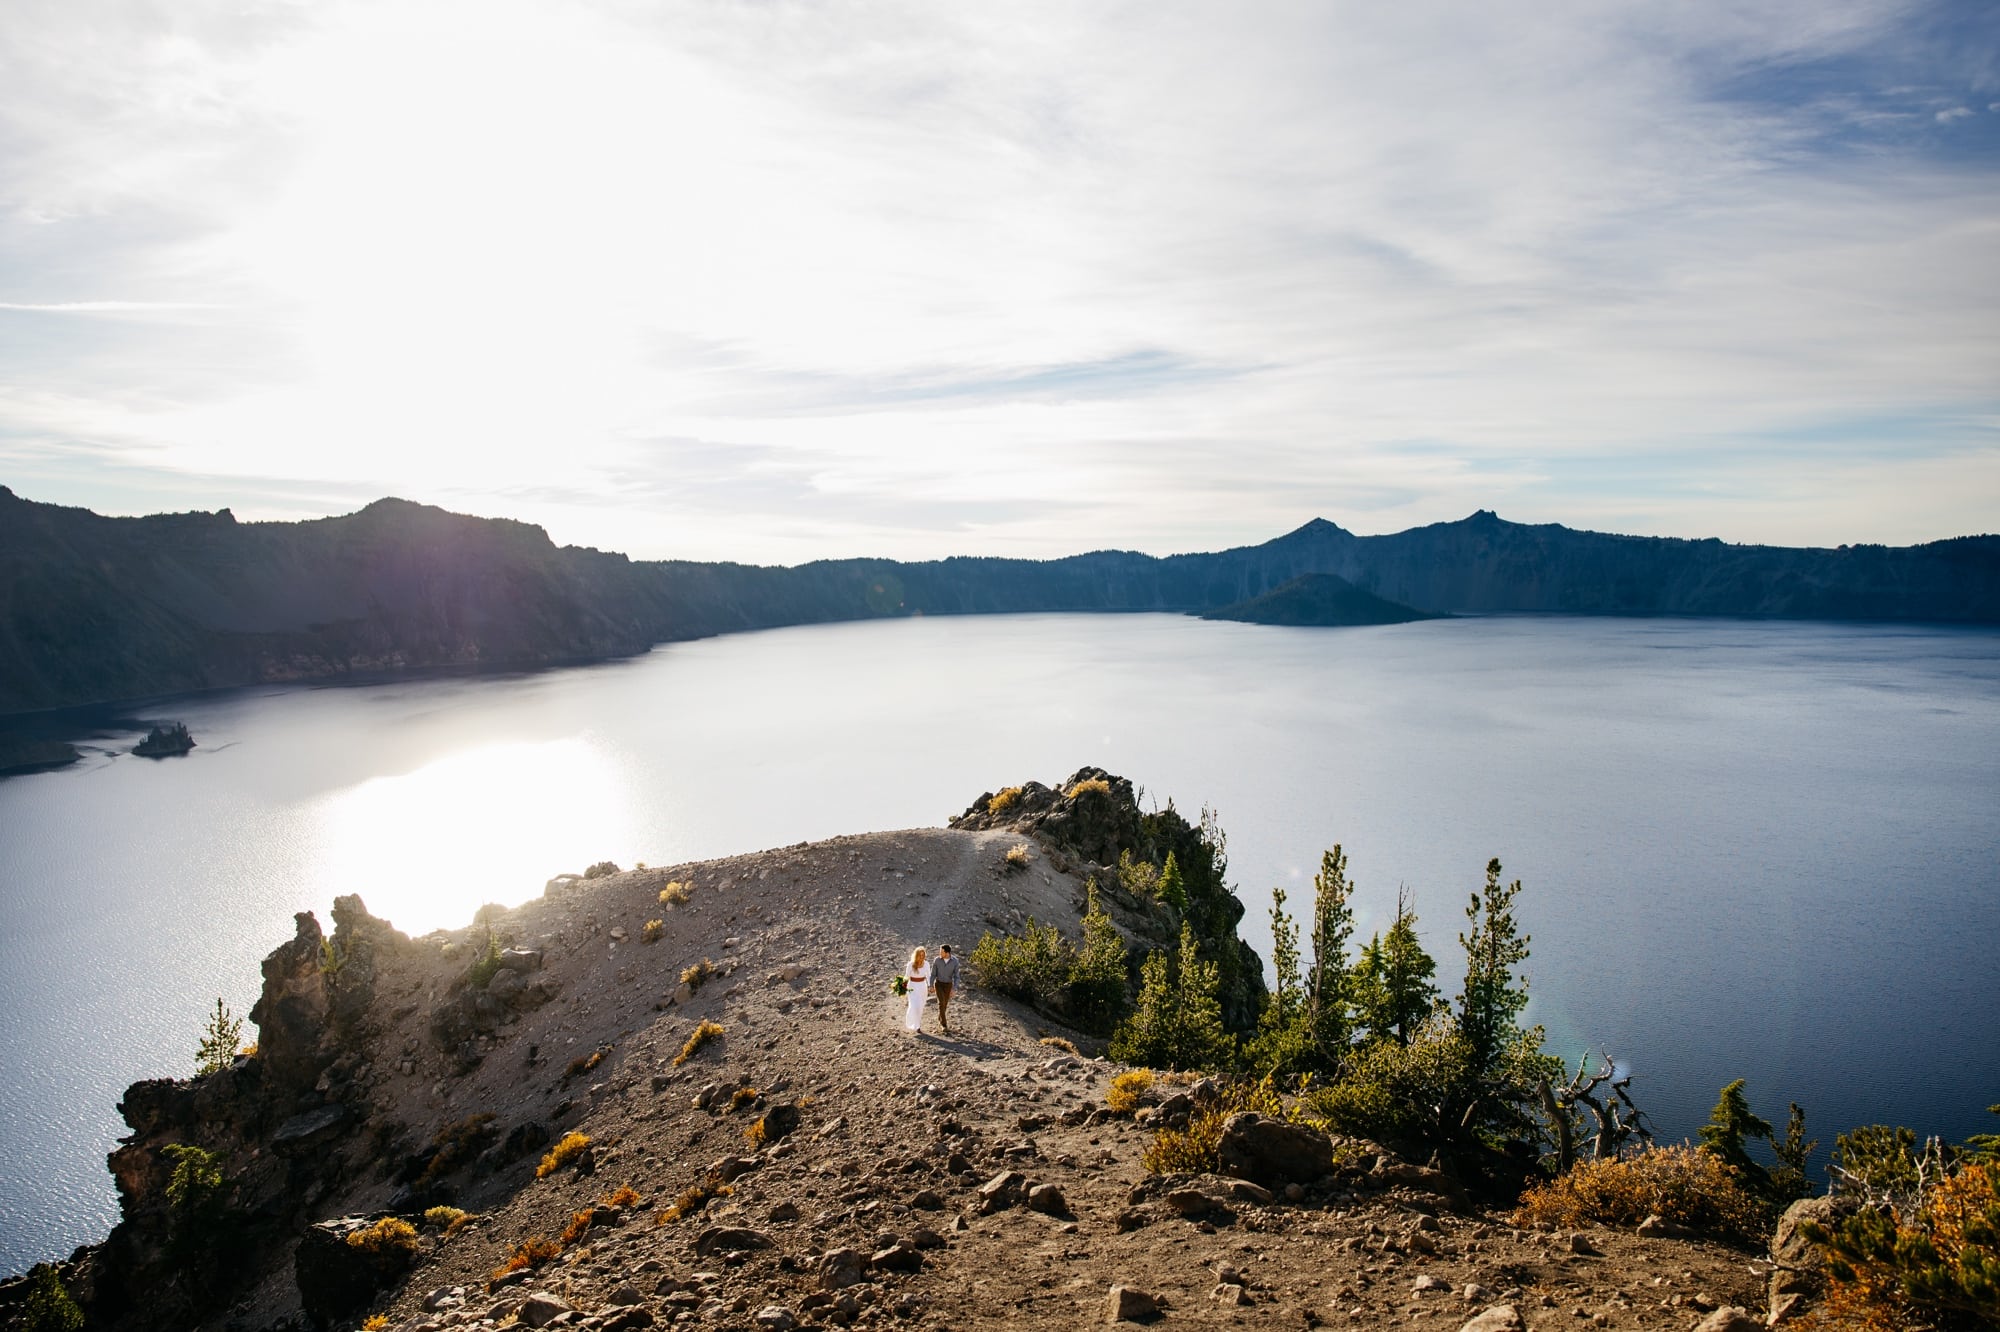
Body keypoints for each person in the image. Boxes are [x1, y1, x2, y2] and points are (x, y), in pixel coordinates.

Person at [930, 943, 959, 1034]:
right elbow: (933, 974)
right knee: (941, 1003)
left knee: (945, 1004)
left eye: (941, 951)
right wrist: (931, 985)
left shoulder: (955, 961)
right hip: (938, 984)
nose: (939, 953)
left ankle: (940, 1017)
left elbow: (956, 976)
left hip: (948, 985)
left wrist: (954, 989)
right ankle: (944, 1025)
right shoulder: (937, 960)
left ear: (947, 953)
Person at [903, 946, 929, 1032]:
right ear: (916, 955)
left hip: (922, 987)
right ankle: (914, 1025)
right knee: (914, 1006)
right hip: (912, 987)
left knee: (920, 1007)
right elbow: (906, 977)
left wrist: (930, 986)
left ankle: (917, 1025)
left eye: (923, 955)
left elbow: (928, 976)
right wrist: (902, 985)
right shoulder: (910, 964)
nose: (922, 957)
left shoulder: (926, 964)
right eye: (920, 955)